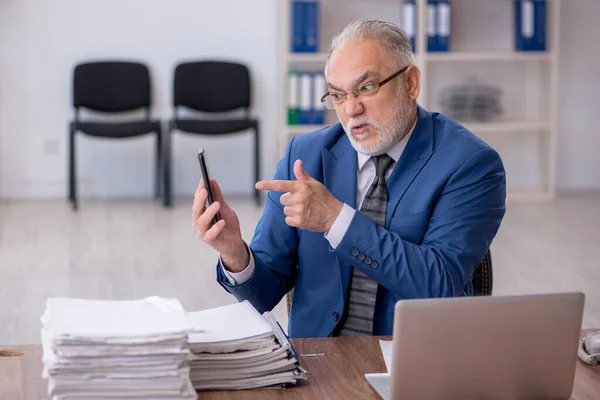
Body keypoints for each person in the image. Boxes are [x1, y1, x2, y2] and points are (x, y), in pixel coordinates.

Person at [192, 19, 506, 338]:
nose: (352, 109)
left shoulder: (471, 164)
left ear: (411, 82)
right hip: (317, 365)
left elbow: (441, 285)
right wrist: (234, 253)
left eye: (367, 87)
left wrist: (335, 219)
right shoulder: (305, 155)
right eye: (338, 96)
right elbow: (263, 296)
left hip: (415, 364)